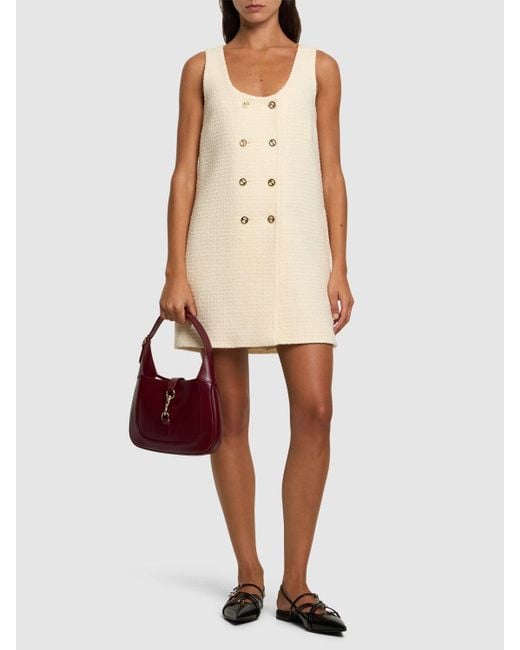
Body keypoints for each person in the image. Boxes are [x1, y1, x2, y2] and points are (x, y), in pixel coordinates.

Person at [159, 0, 353, 635]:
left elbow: (331, 174)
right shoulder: (201, 68)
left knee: (316, 409)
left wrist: (339, 267)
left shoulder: (320, 68)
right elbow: (184, 173)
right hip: (219, 253)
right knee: (230, 419)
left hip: (299, 256)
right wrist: (175, 270)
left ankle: (297, 586)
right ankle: (249, 573)